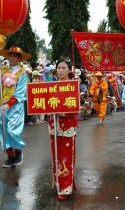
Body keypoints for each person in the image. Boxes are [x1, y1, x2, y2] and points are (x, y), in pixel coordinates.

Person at [46, 57, 78, 200]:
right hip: (54, 124)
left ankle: (65, 188)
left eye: (64, 67)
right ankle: (59, 183)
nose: (61, 70)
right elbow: (44, 103)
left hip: (68, 125)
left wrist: (64, 113)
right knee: (56, 156)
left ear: (69, 70)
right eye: (59, 67)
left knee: (66, 156)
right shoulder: (51, 86)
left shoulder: (73, 85)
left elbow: (76, 107)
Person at [0, 46, 31, 168]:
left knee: (12, 130)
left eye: (15, 56)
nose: (12, 58)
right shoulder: (4, 69)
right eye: (10, 55)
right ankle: (10, 156)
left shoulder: (22, 73)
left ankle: (18, 152)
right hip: (2, 104)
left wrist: (9, 105)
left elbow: (20, 92)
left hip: (15, 106)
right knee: (3, 130)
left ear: (19, 58)